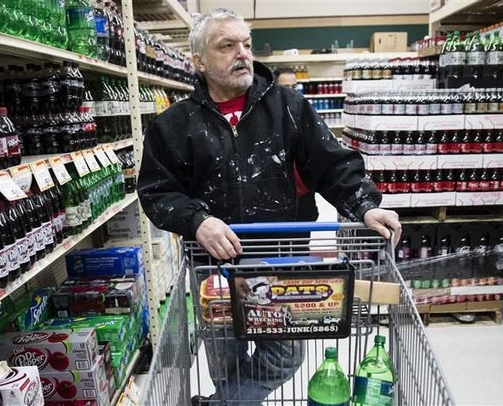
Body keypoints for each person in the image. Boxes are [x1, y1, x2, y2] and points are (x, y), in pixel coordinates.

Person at [137, 8, 401, 404]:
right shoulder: (173, 125)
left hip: (281, 256)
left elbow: (333, 165)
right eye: (226, 46)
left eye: (246, 43)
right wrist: (196, 221)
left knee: (285, 356)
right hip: (214, 262)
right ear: (199, 61)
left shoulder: (289, 108)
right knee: (224, 357)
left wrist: (364, 205)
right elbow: (157, 192)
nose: (242, 53)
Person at [274, 66, 319, 223]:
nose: (291, 91)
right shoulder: (267, 118)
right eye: (285, 87)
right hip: (277, 196)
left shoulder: (305, 114)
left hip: (304, 193)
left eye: (294, 86)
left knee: (302, 241)